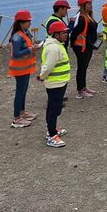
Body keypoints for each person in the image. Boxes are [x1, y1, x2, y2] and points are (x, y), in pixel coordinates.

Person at [39, 20, 71, 148]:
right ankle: (51, 135)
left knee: (55, 108)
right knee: (53, 109)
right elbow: (48, 66)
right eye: (63, 33)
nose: (66, 35)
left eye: (66, 32)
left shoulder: (57, 45)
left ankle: (52, 129)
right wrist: (42, 76)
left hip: (60, 81)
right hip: (55, 83)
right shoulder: (53, 48)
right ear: (56, 34)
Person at [8, 9, 41, 128]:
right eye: (28, 21)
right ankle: (17, 118)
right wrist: (31, 49)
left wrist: (32, 47)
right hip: (19, 69)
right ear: (21, 22)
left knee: (23, 90)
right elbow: (15, 54)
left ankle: (22, 113)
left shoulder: (24, 33)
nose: (30, 23)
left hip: (25, 68)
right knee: (20, 92)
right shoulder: (17, 36)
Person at [70, 0, 98, 99]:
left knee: (84, 67)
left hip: (88, 46)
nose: (91, 5)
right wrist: (74, 44)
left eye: (91, 3)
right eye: (89, 3)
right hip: (82, 47)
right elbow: (74, 33)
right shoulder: (82, 18)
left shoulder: (89, 16)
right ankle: (80, 91)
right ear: (83, 5)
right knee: (81, 68)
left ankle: (84, 87)